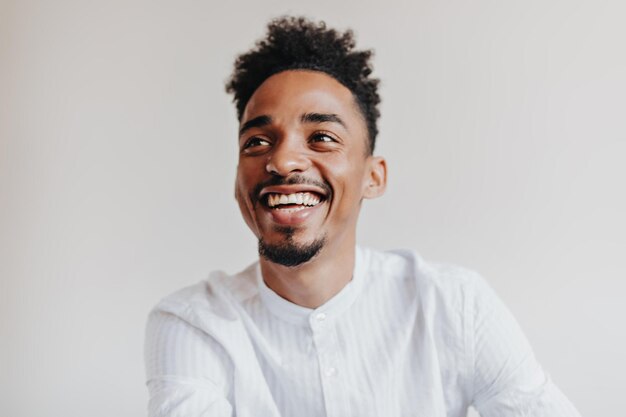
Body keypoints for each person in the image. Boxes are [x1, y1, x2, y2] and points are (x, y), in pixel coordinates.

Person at [144, 16, 581, 417]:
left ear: (373, 177)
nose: (283, 160)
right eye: (257, 142)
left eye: (321, 137)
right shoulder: (193, 324)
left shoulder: (455, 306)